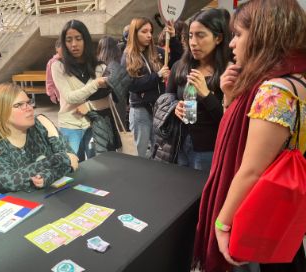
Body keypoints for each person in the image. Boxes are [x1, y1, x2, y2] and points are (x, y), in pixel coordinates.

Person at [192, 1, 306, 272]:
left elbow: (251, 168)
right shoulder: (292, 79)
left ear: (263, 36)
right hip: (266, 202)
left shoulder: (274, 89)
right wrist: (230, 97)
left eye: (238, 34)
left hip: (247, 205)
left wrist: (221, 221)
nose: (232, 43)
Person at [0, 83, 78, 194]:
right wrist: (58, 159)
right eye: (19, 105)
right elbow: (10, 181)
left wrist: (49, 175)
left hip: (44, 197)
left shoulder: (41, 123)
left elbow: (73, 159)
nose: (29, 108)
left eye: (28, 102)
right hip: (6, 205)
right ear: (1, 112)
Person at [165, 8, 231, 171]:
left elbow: (228, 122)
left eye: (200, 35)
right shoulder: (180, 66)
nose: (193, 42)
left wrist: (207, 95)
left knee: (202, 194)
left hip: (209, 149)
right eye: (190, 35)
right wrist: (175, 107)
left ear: (218, 38)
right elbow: (167, 97)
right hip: (179, 143)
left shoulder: (228, 73)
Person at [51, 19, 110, 161]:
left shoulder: (99, 67)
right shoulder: (59, 66)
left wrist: (87, 106)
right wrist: (96, 83)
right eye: (69, 40)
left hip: (94, 124)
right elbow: (70, 97)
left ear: (86, 40)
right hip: (70, 125)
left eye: (78, 38)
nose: (74, 44)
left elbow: (106, 100)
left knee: (96, 166)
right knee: (73, 166)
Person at [121, 17, 169, 157]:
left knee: (158, 149)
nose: (149, 35)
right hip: (140, 110)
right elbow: (131, 84)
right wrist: (158, 75)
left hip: (159, 108)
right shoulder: (128, 56)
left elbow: (178, 57)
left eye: (151, 31)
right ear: (134, 33)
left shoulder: (156, 52)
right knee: (139, 150)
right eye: (144, 31)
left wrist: (174, 38)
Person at [46, 38, 62, 104]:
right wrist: (51, 94)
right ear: (57, 49)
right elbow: (49, 79)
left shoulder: (72, 59)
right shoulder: (52, 62)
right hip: (60, 92)